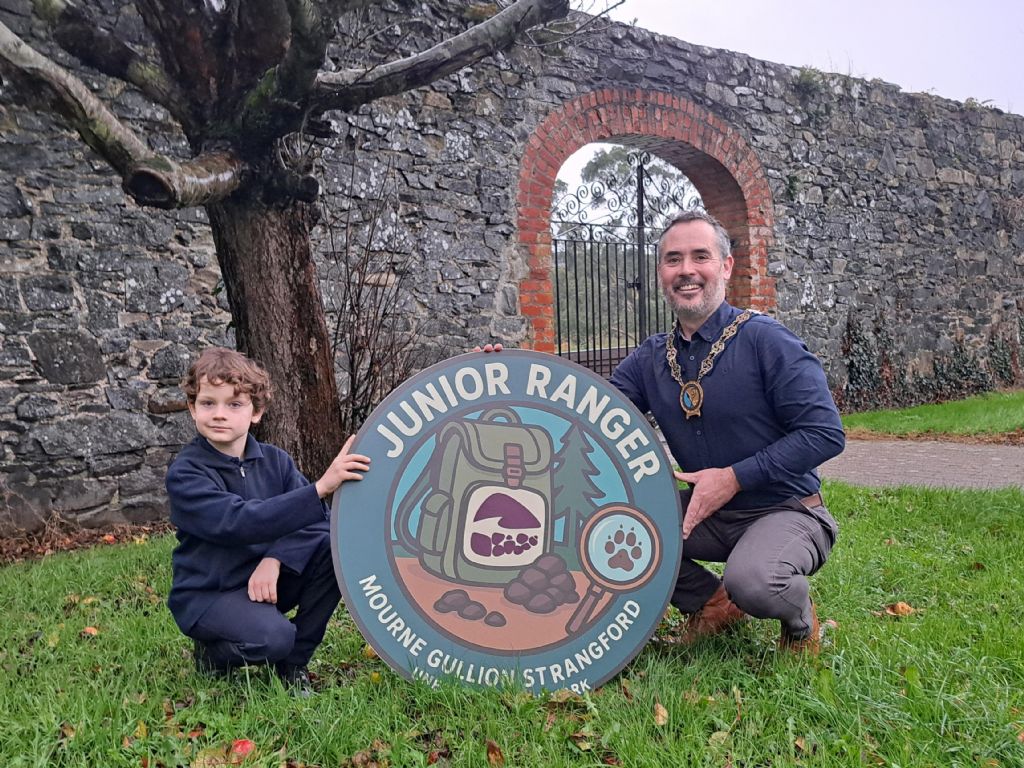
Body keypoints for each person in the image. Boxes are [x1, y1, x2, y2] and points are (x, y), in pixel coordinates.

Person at [608, 209, 845, 654]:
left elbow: (825, 432)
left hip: (786, 509)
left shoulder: (766, 340)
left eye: (701, 256)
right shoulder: (652, 358)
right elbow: (588, 411)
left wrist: (733, 477)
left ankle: (798, 621)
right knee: (603, 528)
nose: (686, 271)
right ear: (661, 272)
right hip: (708, 513)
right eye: (673, 259)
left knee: (754, 582)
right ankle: (712, 602)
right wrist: (505, 379)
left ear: (726, 266)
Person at [166, 347, 370, 693]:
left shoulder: (276, 461)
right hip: (209, 594)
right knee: (275, 637)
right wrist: (320, 487)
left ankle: (293, 666)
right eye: (207, 403)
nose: (219, 414)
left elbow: (319, 522)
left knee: (335, 548)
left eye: (234, 404)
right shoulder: (185, 473)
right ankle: (214, 654)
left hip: (266, 584)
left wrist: (275, 558)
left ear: (256, 413)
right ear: (192, 408)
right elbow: (238, 521)